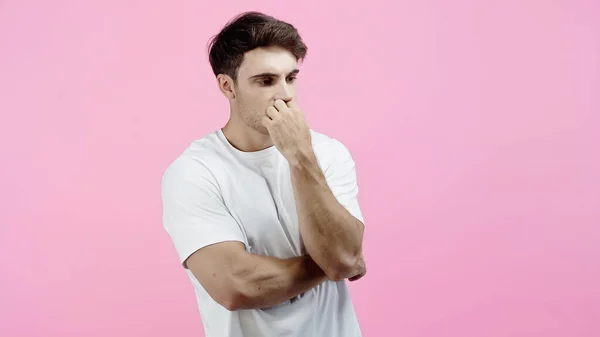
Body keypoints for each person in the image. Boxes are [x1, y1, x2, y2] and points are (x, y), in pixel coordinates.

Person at [161, 11, 367, 337]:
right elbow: (236, 285)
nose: (284, 94)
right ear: (227, 86)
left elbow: (343, 256)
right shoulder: (193, 172)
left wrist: (300, 156)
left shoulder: (327, 154)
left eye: (291, 78)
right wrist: (333, 264)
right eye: (266, 81)